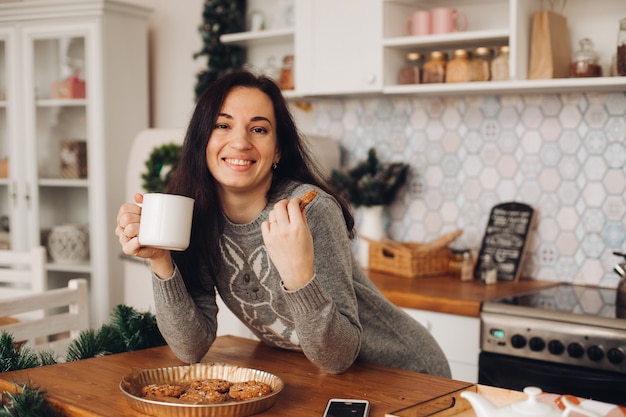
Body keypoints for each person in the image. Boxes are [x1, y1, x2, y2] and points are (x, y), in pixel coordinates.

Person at [115, 71, 451, 378]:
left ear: (277, 151)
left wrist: (299, 275)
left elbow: (338, 356)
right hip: (332, 381)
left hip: (405, 372)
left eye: (259, 129)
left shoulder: (307, 210)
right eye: (223, 125)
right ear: (202, 140)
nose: (241, 142)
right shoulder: (200, 219)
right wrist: (160, 260)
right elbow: (190, 347)